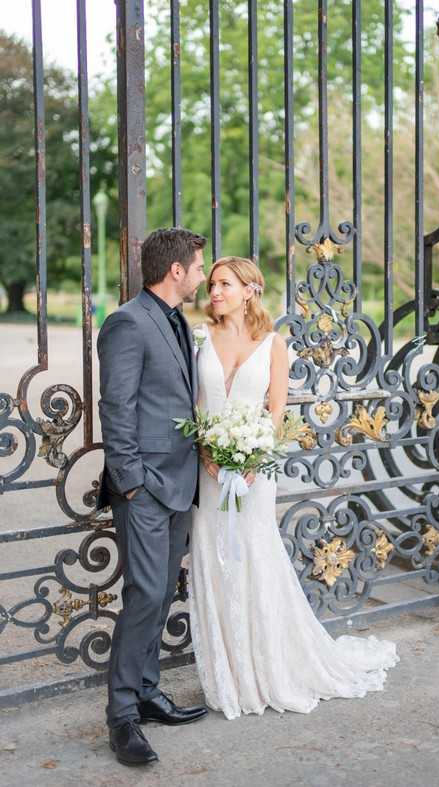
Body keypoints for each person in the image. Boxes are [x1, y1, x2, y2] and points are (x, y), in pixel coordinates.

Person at [188, 256, 398, 720]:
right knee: (215, 556)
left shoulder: (273, 344)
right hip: (209, 471)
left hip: (253, 471)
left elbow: (276, 410)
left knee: (254, 554)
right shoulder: (201, 338)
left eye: (224, 284)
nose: (215, 291)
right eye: (213, 284)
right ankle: (230, 673)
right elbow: (197, 405)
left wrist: (252, 458)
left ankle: (270, 666)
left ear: (250, 289)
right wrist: (206, 452)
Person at [97, 227, 209, 766]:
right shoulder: (126, 322)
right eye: (199, 266)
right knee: (144, 593)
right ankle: (121, 718)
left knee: (163, 592)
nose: (203, 275)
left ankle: (145, 690)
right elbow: (116, 408)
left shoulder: (176, 320)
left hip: (179, 482)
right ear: (176, 271)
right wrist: (132, 481)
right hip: (144, 487)